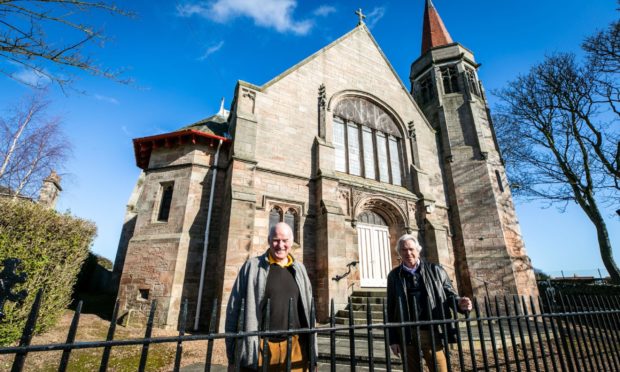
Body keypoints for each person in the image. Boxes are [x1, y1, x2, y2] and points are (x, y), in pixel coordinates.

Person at [225, 222, 315, 371]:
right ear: (269, 240)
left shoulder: (299, 269)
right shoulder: (252, 267)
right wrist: (232, 356)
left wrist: (313, 355)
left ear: (292, 242)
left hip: (296, 347)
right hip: (261, 347)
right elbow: (234, 311)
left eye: (285, 240)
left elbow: (309, 309)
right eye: (276, 240)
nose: (280, 245)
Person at [387, 234, 472, 372]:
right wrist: (393, 339)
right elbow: (391, 308)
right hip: (406, 332)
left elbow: (450, 295)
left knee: (440, 368)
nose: (408, 253)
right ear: (399, 252)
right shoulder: (394, 275)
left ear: (418, 250)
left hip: (431, 330)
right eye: (404, 250)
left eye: (411, 249)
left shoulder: (436, 270)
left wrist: (459, 304)